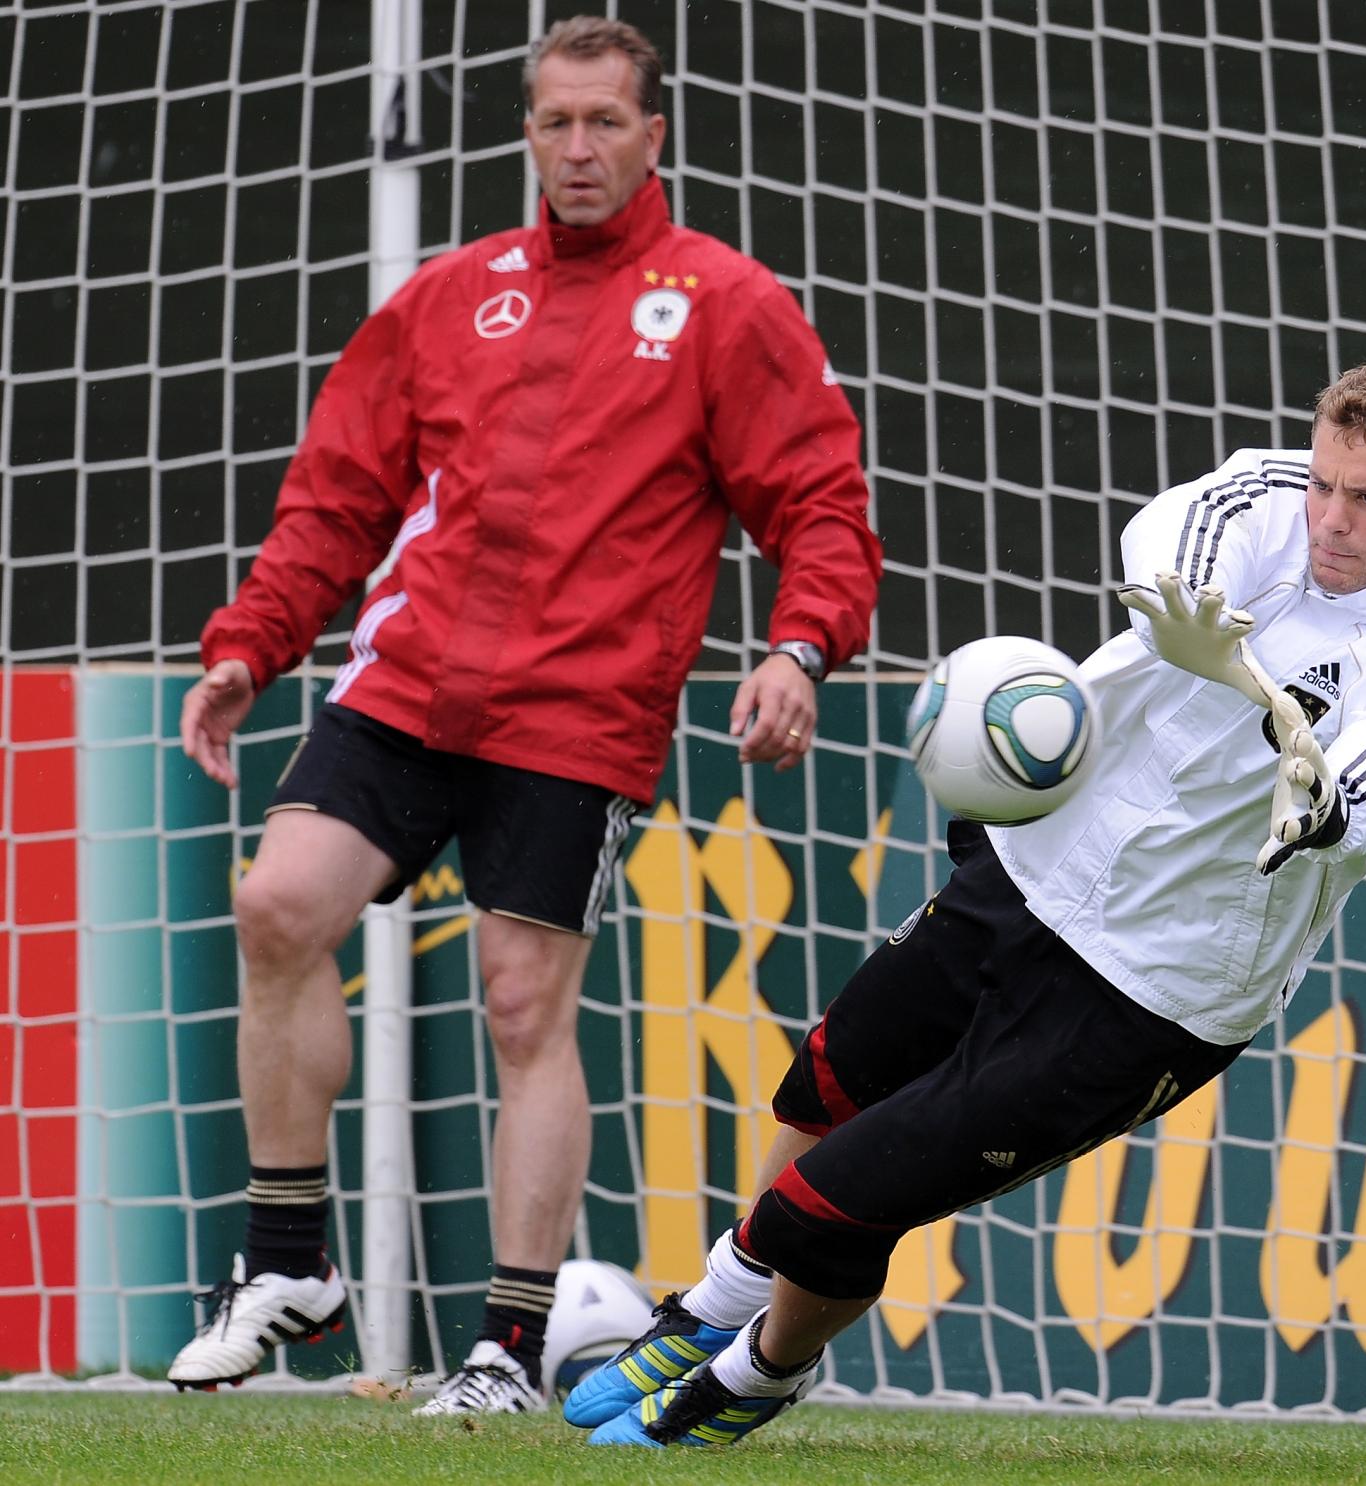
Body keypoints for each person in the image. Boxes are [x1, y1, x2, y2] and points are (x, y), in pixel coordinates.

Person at [560, 362, 1366, 1447]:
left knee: (844, 1197)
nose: (1332, 517)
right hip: (1034, 867)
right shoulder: (1273, 490)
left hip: (1153, 986)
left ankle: (758, 1370)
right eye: (1327, 485)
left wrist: (1334, 801)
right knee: (830, 1075)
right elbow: (1173, 536)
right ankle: (711, 1303)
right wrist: (1187, 621)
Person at [166, 16, 881, 1415]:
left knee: (519, 1003)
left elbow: (820, 504)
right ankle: (289, 1264)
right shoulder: (449, 294)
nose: (576, 149)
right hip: (407, 679)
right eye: (553, 122)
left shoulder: (723, 303)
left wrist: (799, 645)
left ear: (652, 134)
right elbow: (337, 496)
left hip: (577, 713)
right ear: (528, 130)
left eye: (604, 122)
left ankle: (501, 1344)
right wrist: (252, 644)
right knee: (277, 907)